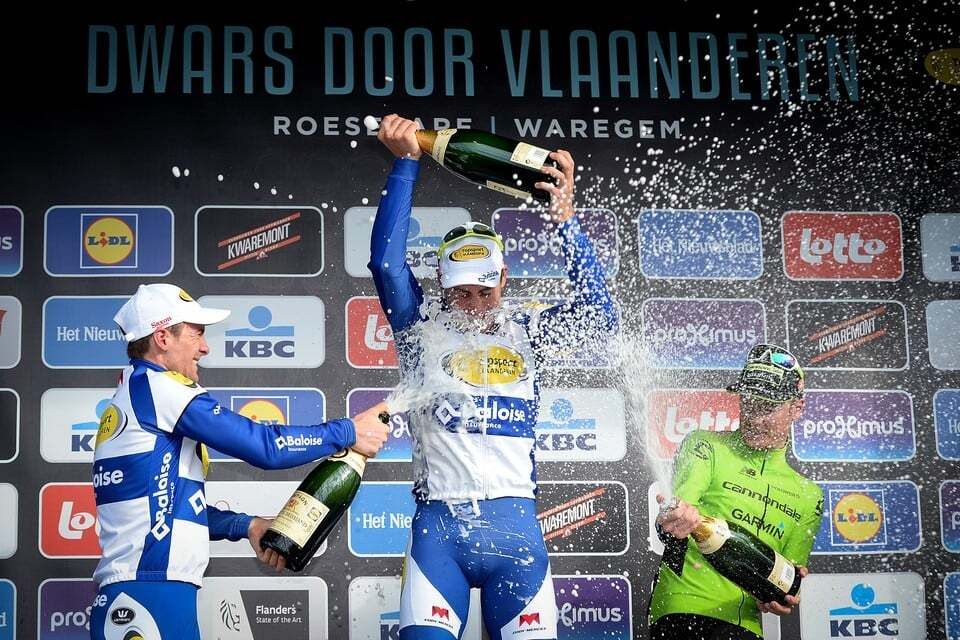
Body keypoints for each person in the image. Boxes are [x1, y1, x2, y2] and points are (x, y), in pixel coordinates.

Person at [369, 114, 617, 640]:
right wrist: (406, 165)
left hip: (517, 535)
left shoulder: (529, 331)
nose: (476, 305)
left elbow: (600, 314)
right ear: (441, 282)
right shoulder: (419, 328)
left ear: (504, 277)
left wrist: (564, 218)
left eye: (486, 291)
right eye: (461, 293)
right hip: (440, 534)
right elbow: (387, 267)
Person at [89, 283, 390, 640]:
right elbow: (266, 447)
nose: (205, 347)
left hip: (147, 594)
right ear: (162, 338)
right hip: (148, 597)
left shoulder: (134, 394)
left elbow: (170, 510)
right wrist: (349, 431)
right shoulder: (159, 389)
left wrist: (246, 525)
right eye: (197, 333)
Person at [649, 344, 825, 640]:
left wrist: (780, 597)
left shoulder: (810, 496)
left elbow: (788, 579)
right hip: (682, 611)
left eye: (767, 407)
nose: (754, 418)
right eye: (748, 403)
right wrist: (675, 516)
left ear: (797, 408)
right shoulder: (706, 445)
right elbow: (679, 508)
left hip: (747, 627)